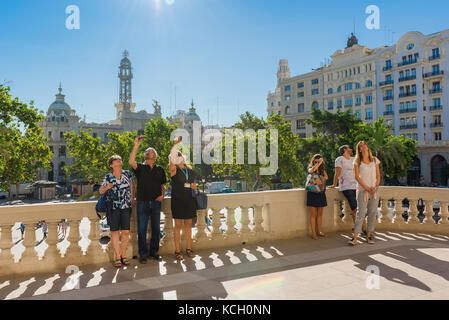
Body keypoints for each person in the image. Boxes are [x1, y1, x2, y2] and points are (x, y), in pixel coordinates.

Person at [129, 137, 167, 264]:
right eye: (146, 151)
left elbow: (163, 185)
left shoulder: (160, 169)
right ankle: (143, 254)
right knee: (142, 229)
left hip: (156, 203)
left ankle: (154, 252)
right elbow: (131, 161)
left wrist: (162, 195)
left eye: (150, 151)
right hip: (142, 202)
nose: (147, 151)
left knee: (156, 228)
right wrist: (136, 146)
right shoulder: (140, 168)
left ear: (154, 155)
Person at [99, 155, 135, 267]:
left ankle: (124, 255)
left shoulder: (127, 174)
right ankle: (118, 257)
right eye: (116, 160)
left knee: (126, 232)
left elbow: (132, 186)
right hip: (113, 207)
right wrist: (107, 187)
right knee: (115, 232)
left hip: (126, 206)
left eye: (120, 159)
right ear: (111, 165)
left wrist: (132, 197)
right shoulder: (108, 177)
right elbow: (101, 191)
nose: (119, 160)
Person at [169, 136, 198, 261]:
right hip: (178, 201)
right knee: (178, 226)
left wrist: (194, 186)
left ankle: (189, 249)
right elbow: (171, 159)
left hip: (189, 201)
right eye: (176, 156)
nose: (178, 157)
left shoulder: (190, 170)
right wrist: (175, 145)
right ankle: (177, 251)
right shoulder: (174, 169)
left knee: (188, 226)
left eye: (179, 155)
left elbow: (194, 184)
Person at [348, 141, 380, 246]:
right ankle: (355, 237)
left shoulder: (375, 160)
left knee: (372, 213)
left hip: (374, 190)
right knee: (360, 214)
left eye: (365, 144)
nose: (364, 145)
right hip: (362, 190)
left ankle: (369, 235)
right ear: (359, 149)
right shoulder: (357, 161)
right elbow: (357, 177)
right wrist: (366, 187)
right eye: (361, 145)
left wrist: (375, 187)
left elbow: (378, 176)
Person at [330, 145, 367, 235]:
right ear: (345, 150)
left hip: (357, 186)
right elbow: (337, 173)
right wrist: (334, 184)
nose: (351, 149)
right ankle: (360, 230)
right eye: (349, 148)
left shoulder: (353, 159)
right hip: (347, 187)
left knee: (360, 209)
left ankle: (364, 229)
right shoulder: (339, 159)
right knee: (355, 208)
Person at [306, 154, 328, 240]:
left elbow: (326, 177)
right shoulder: (310, 167)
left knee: (320, 214)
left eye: (319, 161)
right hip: (312, 192)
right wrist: (317, 164)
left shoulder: (322, 170)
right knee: (313, 215)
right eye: (316, 161)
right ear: (313, 160)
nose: (317, 162)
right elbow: (311, 171)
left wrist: (319, 177)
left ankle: (319, 231)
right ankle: (313, 233)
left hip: (321, 193)